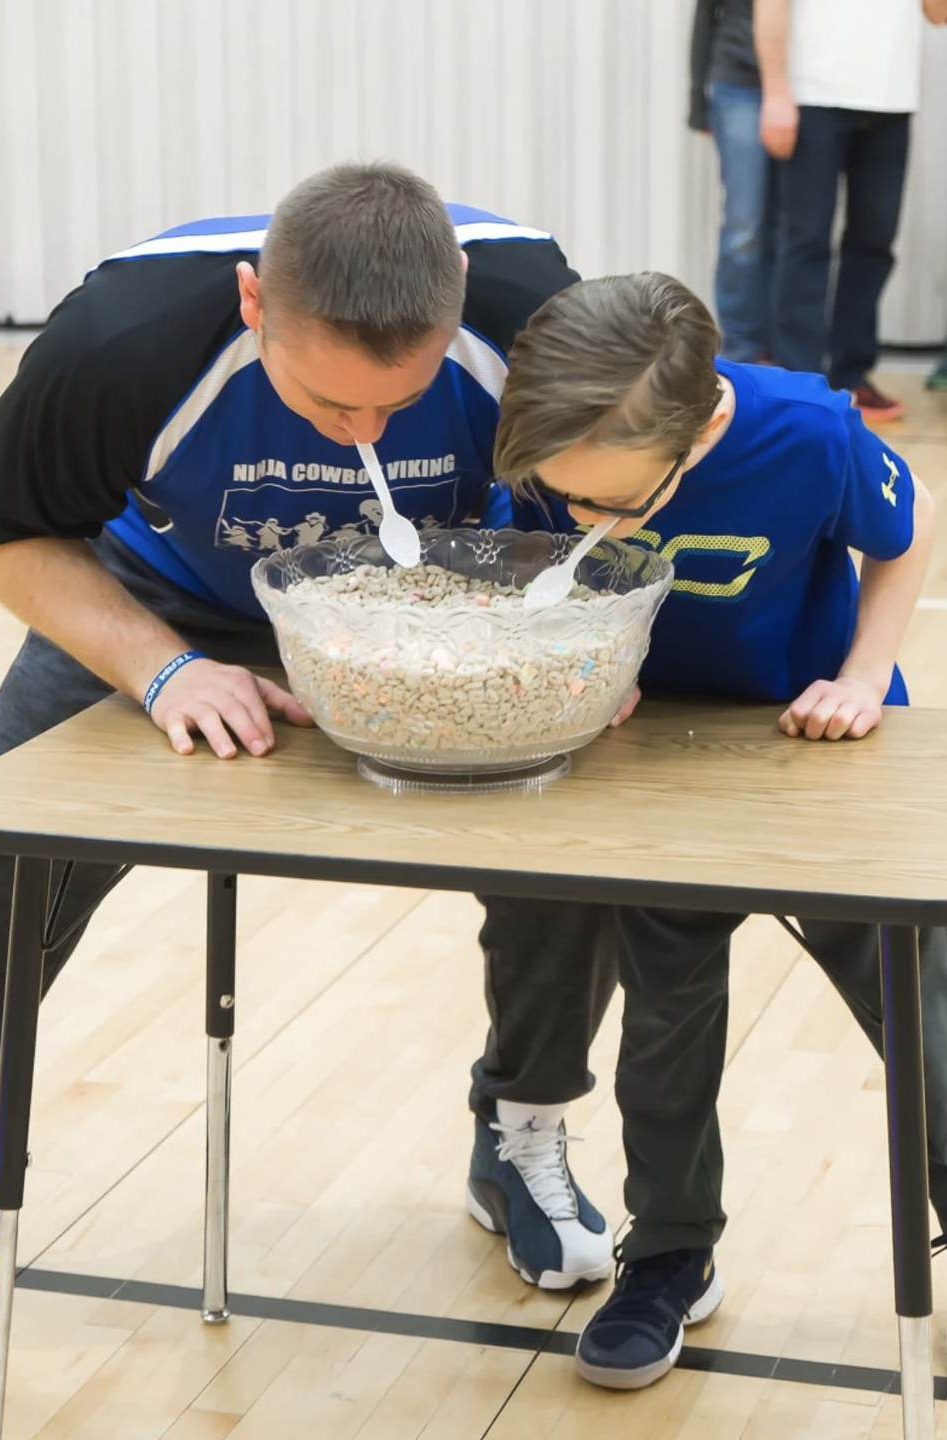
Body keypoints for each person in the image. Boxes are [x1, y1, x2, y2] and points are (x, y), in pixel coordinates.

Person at [0, 162, 618, 1293]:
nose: (363, 429)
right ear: (251, 306)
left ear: (461, 297)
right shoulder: (118, 344)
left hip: (446, 595)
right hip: (170, 596)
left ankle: (522, 1128)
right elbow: (9, 534)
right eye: (331, 405)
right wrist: (162, 666)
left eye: (395, 402)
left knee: (570, 845)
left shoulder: (536, 319)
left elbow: (601, 511)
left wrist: (586, 660)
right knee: (4, 842)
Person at [486, 271, 947, 1390]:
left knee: (923, 1010)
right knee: (665, 1020)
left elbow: (908, 524)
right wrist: (589, 670)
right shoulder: (563, 447)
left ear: (698, 434)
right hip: (664, 767)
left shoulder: (807, 431)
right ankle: (671, 1256)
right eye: (570, 500)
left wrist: (864, 674)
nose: (585, 518)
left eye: (614, 505)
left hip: (817, 746)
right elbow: (540, 572)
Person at [755, 0, 947, 424]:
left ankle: (852, 374)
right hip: (813, 95)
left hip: (892, 101)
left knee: (874, 242)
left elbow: (938, 14)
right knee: (806, 241)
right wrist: (776, 92)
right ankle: (799, 381)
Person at [689, 0, 778, 363]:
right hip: (740, 85)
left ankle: (779, 341)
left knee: (793, 229)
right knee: (746, 223)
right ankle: (739, 348)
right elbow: (704, 17)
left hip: (809, 90)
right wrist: (698, 99)